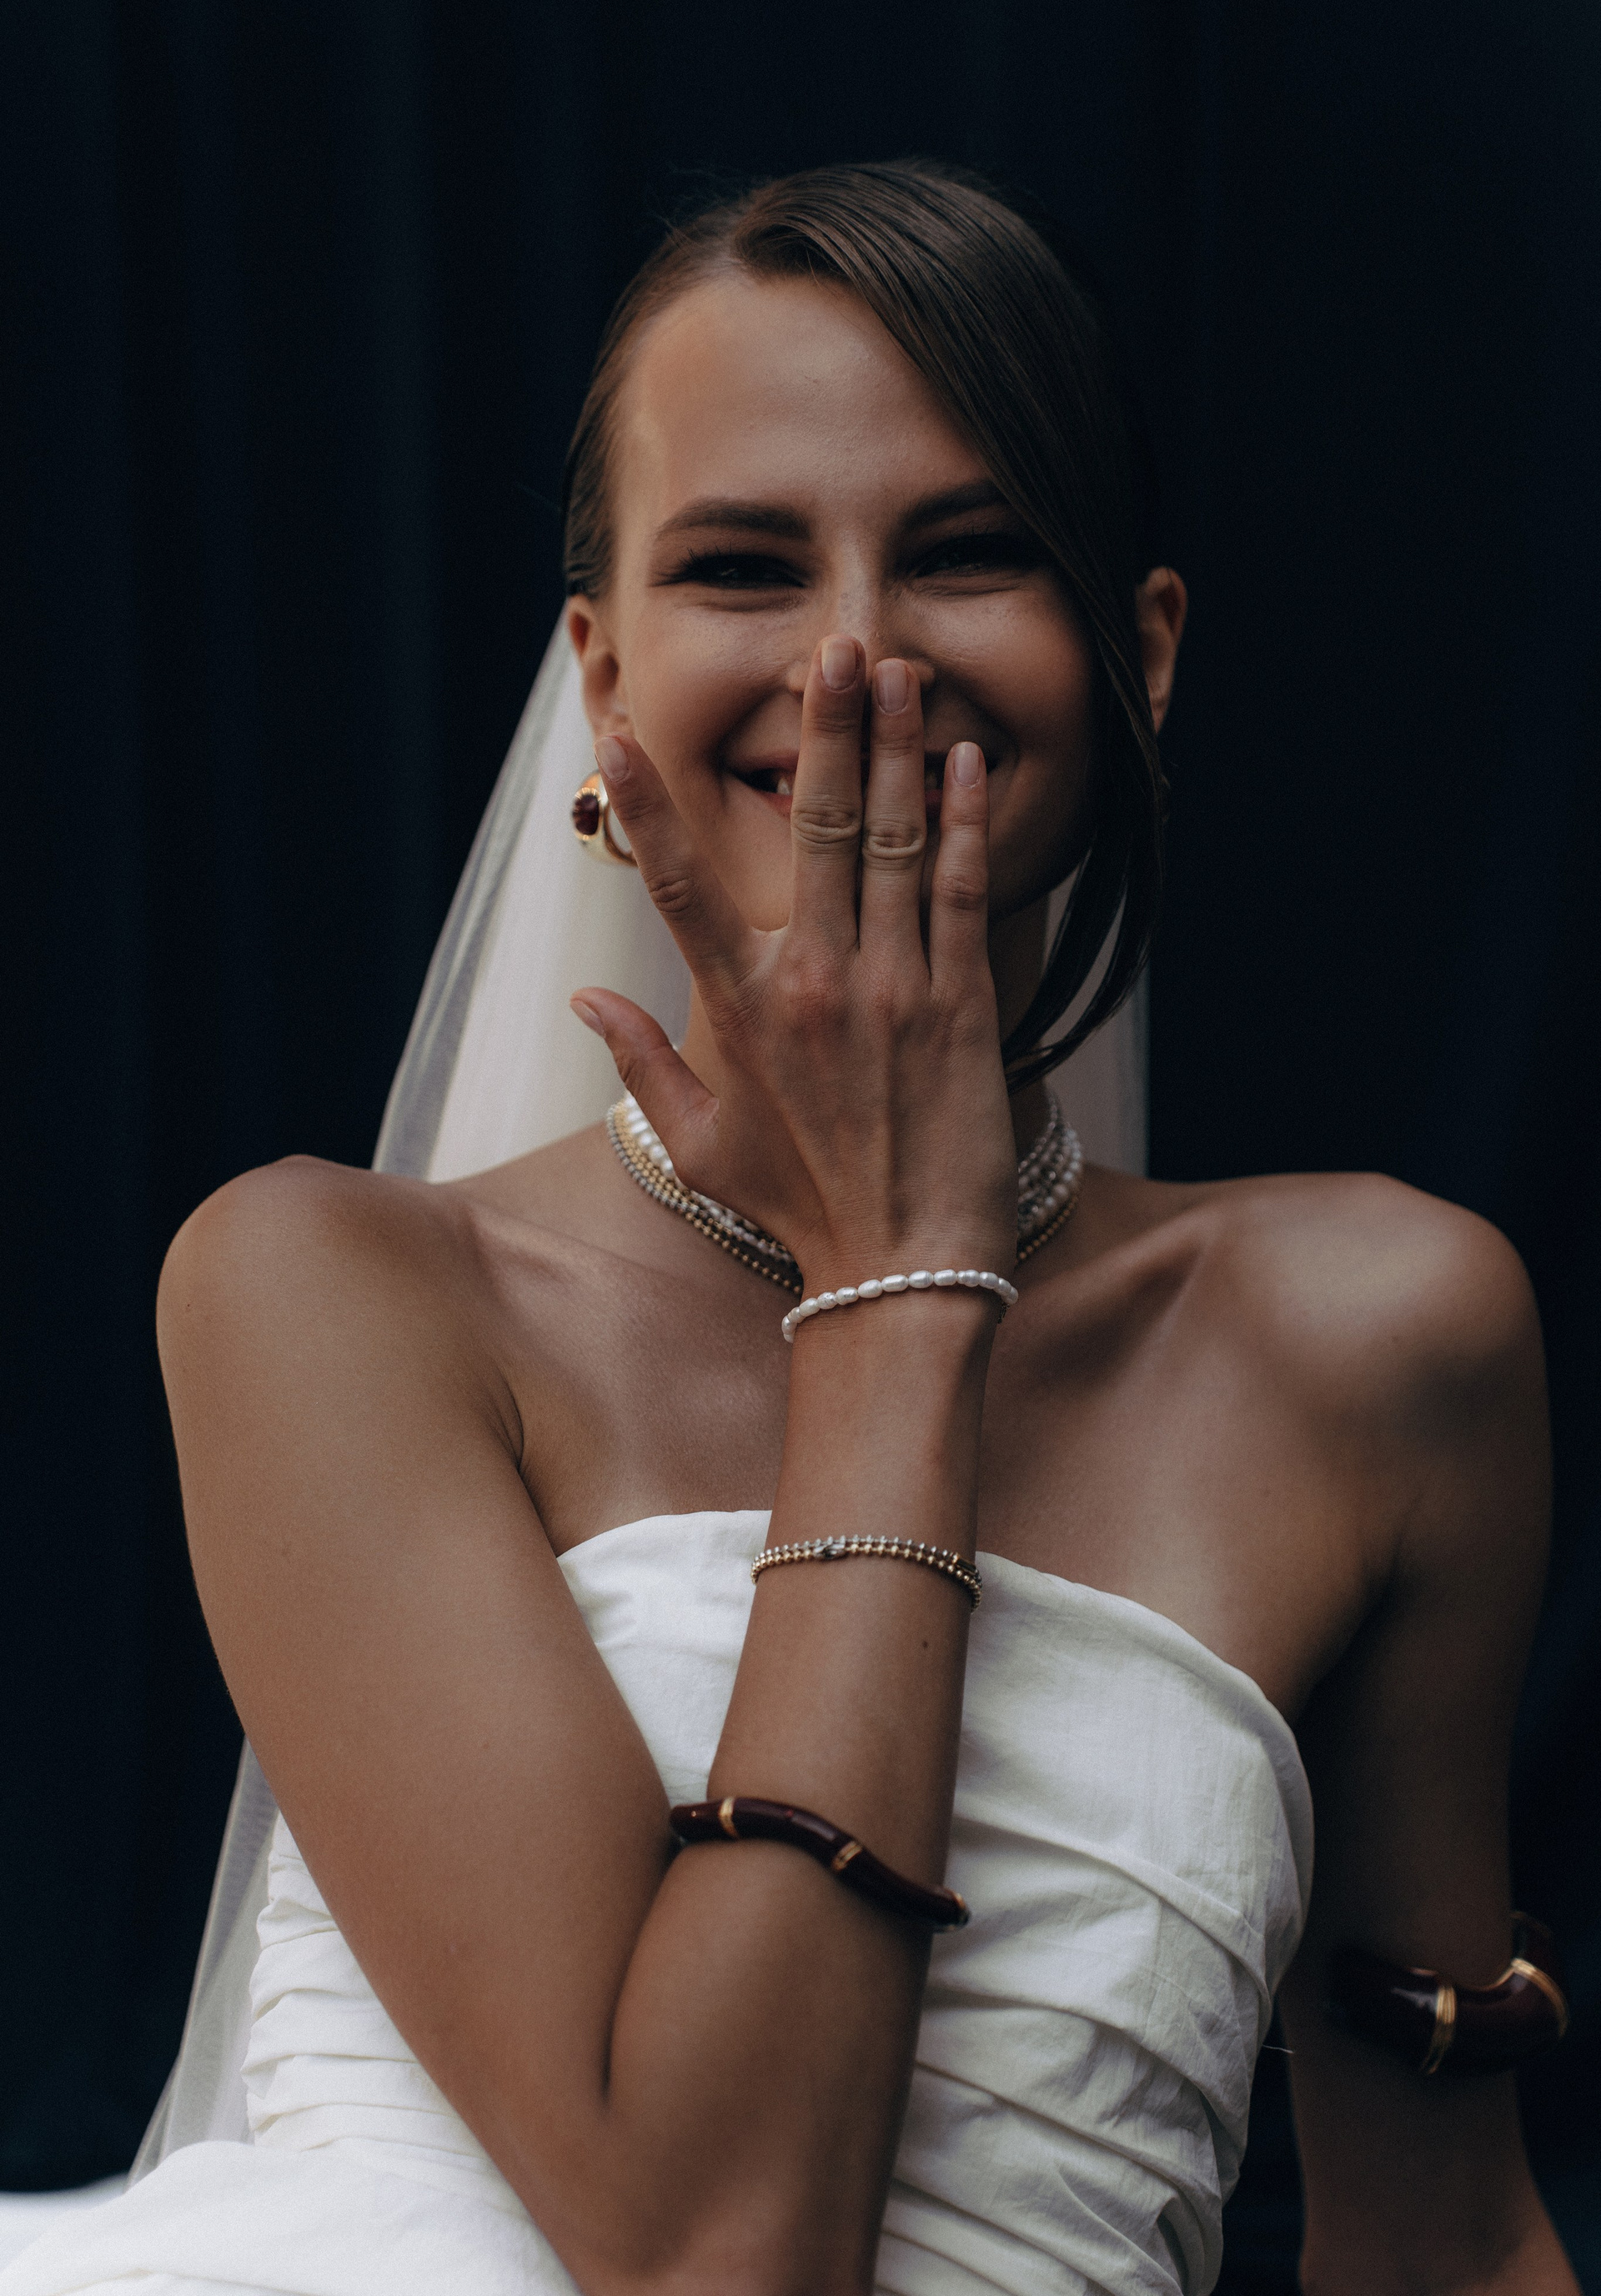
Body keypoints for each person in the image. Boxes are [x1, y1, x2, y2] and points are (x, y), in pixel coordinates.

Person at [3, 162, 1575, 2296]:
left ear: (1142, 653)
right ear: (605, 677)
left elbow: (1446, 2246)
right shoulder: (331, 1295)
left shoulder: (1387, 1343)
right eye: (743, 564)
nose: (859, 656)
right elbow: (719, 2253)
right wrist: (901, 1286)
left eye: (971, 552)